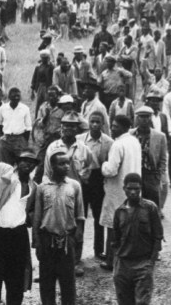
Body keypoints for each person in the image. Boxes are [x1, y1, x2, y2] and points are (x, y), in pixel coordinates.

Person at [0, 129, 38, 305]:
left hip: (18, 237)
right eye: (23, 161)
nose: (27, 165)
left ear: (35, 166)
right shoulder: (4, 172)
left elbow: (32, 213)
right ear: (17, 162)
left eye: (31, 163)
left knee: (16, 280)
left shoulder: (34, 187)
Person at [33, 150, 85, 305]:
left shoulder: (74, 186)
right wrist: (36, 241)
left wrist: (77, 238)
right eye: (62, 163)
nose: (66, 167)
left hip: (67, 240)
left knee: (68, 282)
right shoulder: (42, 188)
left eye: (68, 163)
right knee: (47, 281)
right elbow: (37, 217)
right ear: (52, 165)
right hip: (47, 239)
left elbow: (80, 214)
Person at [43, 112, 92, 276]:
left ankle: (75, 261)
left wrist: (84, 175)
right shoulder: (53, 147)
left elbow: (89, 165)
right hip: (56, 190)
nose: (68, 129)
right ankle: (54, 261)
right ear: (61, 127)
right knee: (55, 223)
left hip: (76, 192)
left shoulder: (83, 148)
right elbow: (46, 171)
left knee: (77, 224)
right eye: (65, 125)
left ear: (77, 128)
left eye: (72, 125)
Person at [112, 172, 163, 305]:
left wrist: (150, 263)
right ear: (124, 189)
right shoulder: (119, 212)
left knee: (142, 302)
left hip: (143, 264)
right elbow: (115, 240)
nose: (133, 192)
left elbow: (158, 236)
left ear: (141, 189)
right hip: (123, 265)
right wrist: (117, 264)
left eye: (137, 189)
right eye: (130, 189)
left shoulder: (150, 208)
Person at [100, 114, 142, 269]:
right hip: (132, 187)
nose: (112, 129)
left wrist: (103, 164)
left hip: (118, 189)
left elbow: (110, 170)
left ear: (125, 128)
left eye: (115, 126)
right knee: (128, 223)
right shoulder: (134, 141)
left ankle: (111, 260)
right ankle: (126, 256)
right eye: (112, 125)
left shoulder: (118, 145)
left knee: (113, 224)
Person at [76, 111, 113, 260]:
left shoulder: (109, 142)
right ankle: (77, 252)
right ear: (88, 123)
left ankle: (99, 250)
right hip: (82, 181)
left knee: (99, 217)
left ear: (103, 124)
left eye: (98, 122)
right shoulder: (79, 139)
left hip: (98, 181)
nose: (95, 125)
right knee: (80, 216)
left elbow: (109, 164)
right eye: (92, 122)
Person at [131, 106, 168, 209]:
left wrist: (159, 175)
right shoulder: (130, 134)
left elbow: (163, 158)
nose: (144, 119)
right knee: (135, 203)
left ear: (150, 118)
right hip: (135, 173)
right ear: (137, 118)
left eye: (147, 117)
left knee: (152, 204)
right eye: (141, 117)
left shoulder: (160, 136)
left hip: (151, 174)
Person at [0, 87, 32, 165]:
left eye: (18, 96)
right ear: (9, 97)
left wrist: (24, 142)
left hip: (20, 140)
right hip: (6, 140)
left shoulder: (25, 109)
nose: (16, 98)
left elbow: (28, 128)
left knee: (21, 166)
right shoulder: (3, 108)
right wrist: (1, 136)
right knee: (6, 167)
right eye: (14, 96)